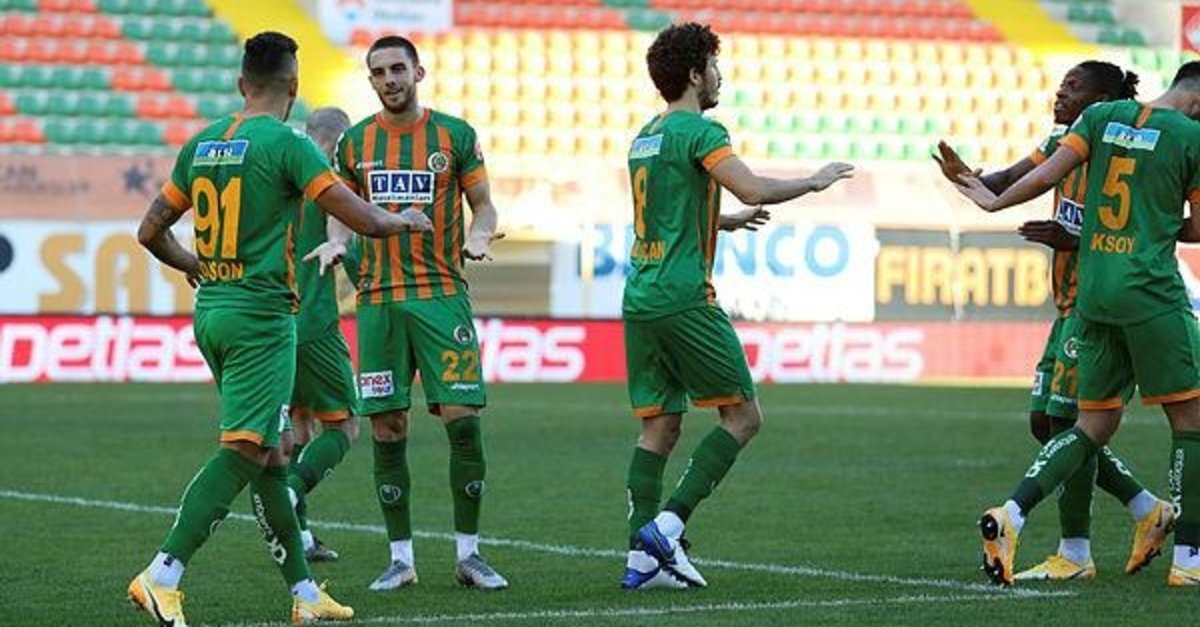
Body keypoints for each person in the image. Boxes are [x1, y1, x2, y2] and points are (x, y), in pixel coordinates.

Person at [127, 31, 432, 626]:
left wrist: (196, 264)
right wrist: (406, 220)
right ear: (293, 87)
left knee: (270, 456)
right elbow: (362, 219)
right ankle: (162, 574)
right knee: (245, 450)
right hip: (262, 320)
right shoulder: (290, 145)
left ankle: (305, 592)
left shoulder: (203, 142)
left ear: (242, 84)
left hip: (213, 313)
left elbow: (149, 231)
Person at [619, 22, 853, 590]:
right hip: (683, 297)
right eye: (714, 66)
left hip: (641, 294)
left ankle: (640, 562)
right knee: (744, 417)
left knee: (659, 428)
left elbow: (664, 212)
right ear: (695, 74)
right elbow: (752, 186)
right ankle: (666, 528)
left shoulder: (645, 137)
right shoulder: (700, 131)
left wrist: (718, 220)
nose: (719, 76)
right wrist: (813, 181)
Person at [954, 60, 1200, 587]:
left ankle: (1012, 515)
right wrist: (1159, 221)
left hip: (1093, 295)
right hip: (1151, 291)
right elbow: (1198, 228)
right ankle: (1191, 559)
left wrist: (993, 202)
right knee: (1191, 421)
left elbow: (1044, 175)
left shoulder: (1101, 118)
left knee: (1089, 426)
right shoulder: (1191, 137)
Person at [313, 34, 508, 591]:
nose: (389, 80)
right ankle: (401, 559)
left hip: (441, 295)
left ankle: (469, 554)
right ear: (371, 80)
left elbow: (483, 205)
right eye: (379, 72)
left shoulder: (455, 135)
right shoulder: (355, 143)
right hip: (379, 302)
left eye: (398, 69)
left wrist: (479, 235)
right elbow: (341, 208)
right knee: (387, 427)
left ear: (418, 73)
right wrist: (336, 241)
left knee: (463, 421)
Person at [284, 106, 360, 563]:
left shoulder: (277, 177)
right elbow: (351, 248)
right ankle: (288, 494)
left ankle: (300, 536)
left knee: (298, 426)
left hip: (272, 325)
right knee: (344, 425)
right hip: (313, 322)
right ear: (340, 140)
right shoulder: (328, 184)